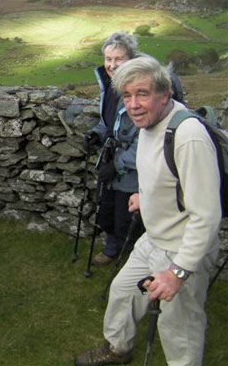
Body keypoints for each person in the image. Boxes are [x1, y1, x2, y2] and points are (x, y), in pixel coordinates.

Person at [74, 56, 221, 366]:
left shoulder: (188, 136)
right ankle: (117, 350)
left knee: (178, 326)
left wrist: (178, 271)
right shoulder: (148, 123)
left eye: (142, 93)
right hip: (154, 239)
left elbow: (207, 215)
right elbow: (160, 169)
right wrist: (146, 194)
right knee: (123, 293)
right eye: (126, 96)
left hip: (183, 248)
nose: (133, 104)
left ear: (164, 94)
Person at [83, 32, 143, 266]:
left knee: (126, 219)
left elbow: (145, 142)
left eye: (119, 59)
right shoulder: (111, 87)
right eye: (108, 59)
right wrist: (95, 134)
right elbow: (108, 124)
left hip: (133, 172)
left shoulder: (139, 90)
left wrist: (116, 165)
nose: (112, 65)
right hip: (111, 162)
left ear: (132, 59)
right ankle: (111, 251)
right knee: (106, 210)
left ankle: (132, 263)